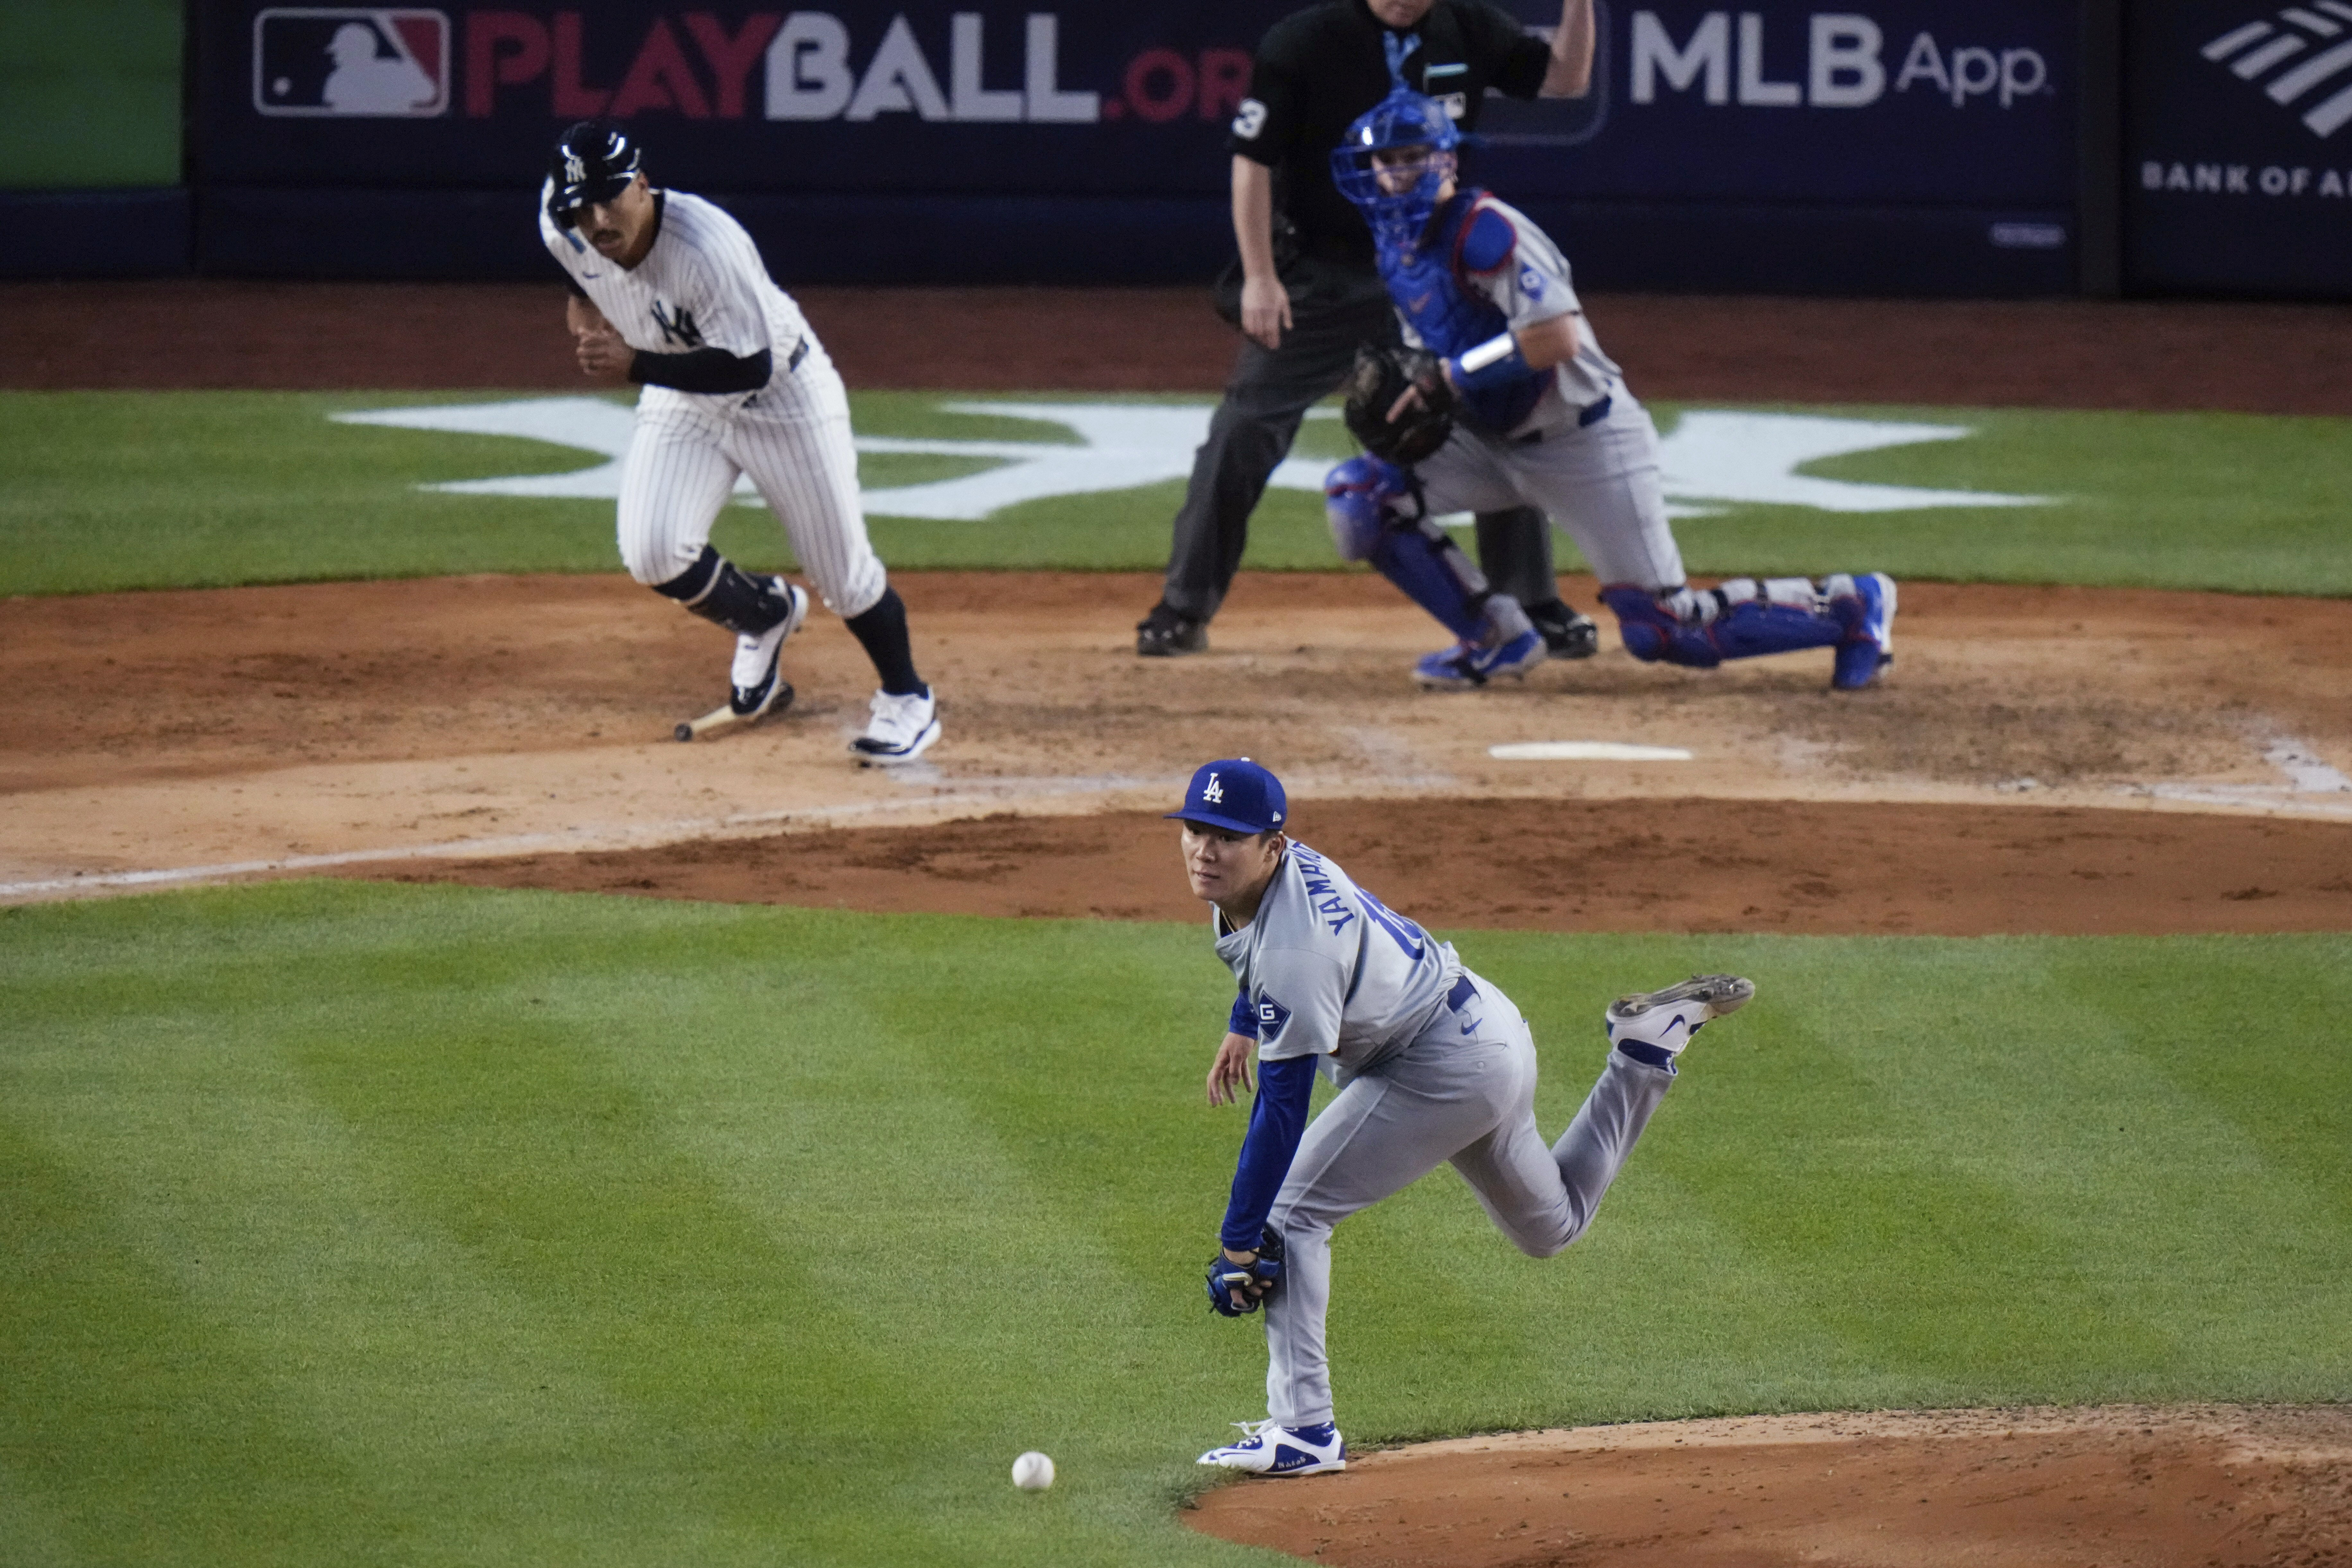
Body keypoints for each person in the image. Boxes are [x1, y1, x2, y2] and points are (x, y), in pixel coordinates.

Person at [1171, 757, 1753, 1476]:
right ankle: (1641, 1055)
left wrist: (1236, 1244)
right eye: (1196, 830)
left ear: (1272, 845)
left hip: (1437, 1066)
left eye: (1225, 837)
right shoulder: (1261, 879)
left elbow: (1282, 1109)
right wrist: (1245, 1022)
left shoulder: (1294, 945)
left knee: (1288, 1217)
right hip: (1484, 1028)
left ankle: (1304, 1430)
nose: (1205, 850)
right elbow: (1261, 959)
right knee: (1552, 1226)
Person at [1324, 88, 1898, 689]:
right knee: (1361, 496)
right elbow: (1441, 349)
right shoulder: (1395, 248)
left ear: (1447, 160)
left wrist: (1451, 376)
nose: (1398, 172)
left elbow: (1555, 336)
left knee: (1667, 631)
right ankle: (1496, 637)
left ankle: (1851, 605)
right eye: (1388, 161)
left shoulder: (1486, 232)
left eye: (1413, 156)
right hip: (1491, 442)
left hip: (1585, 439)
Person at [1135, 0, 1604, 667]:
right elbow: (1252, 161)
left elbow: (1564, 80)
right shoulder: (1306, 41)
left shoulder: (1466, 25)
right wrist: (1262, 277)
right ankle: (1183, 607)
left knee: (1498, 407)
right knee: (1245, 428)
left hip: (1436, 267)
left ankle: (1528, 601)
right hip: (1326, 273)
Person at [540, 119, 941, 763]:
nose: (596, 221)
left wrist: (634, 365)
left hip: (779, 394)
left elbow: (746, 366)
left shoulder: (706, 249)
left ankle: (907, 699)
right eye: (580, 208)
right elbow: (579, 277)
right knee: (653, 551)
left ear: (641, 186)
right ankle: (764, 615)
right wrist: (589, 322)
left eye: (610, 200)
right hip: (683, 391)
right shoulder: (563, 223)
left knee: (843, 574)